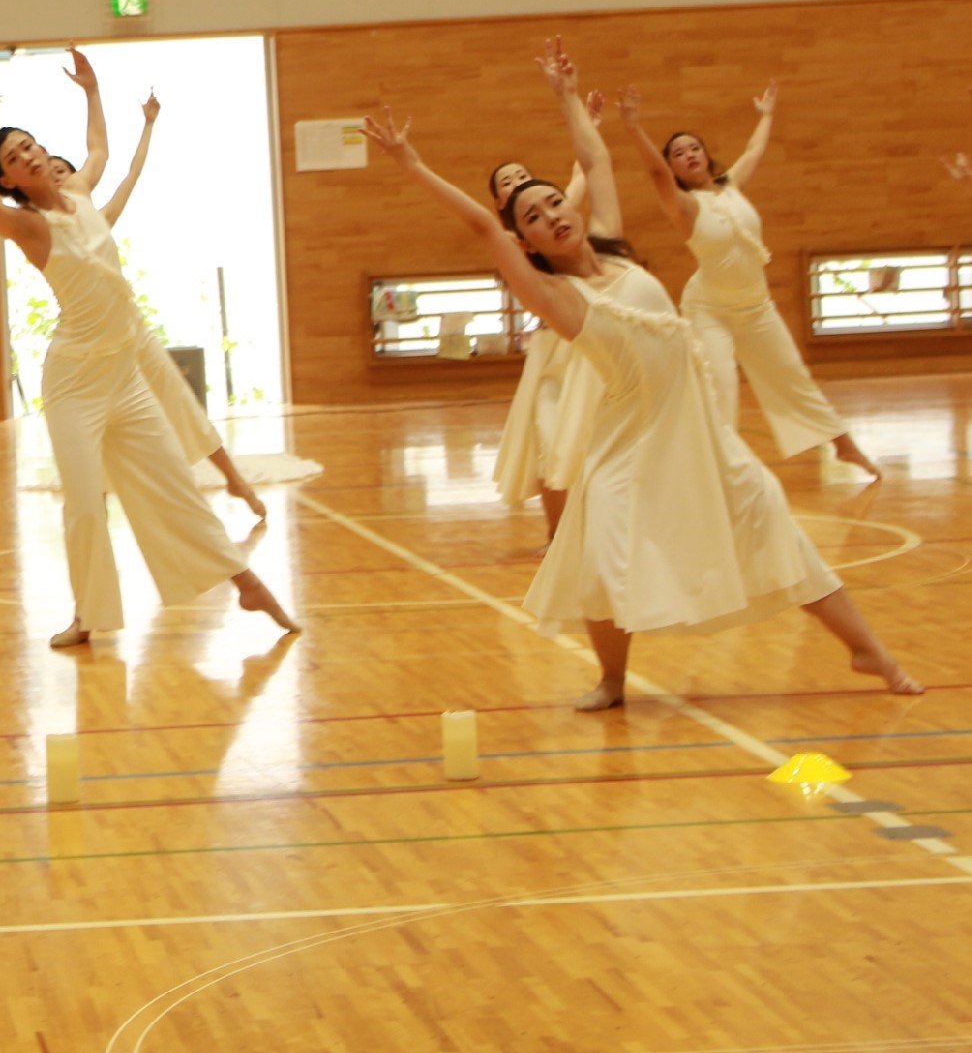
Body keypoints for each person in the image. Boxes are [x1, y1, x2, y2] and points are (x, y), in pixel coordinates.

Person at [362, 103, 918, 709]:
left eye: (554, 203)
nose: (551, 214)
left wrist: (567, 96)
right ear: (526, 241)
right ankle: (612, 679)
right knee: (600, 555)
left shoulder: (619, 253)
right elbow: (483, 229)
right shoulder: (556, 296)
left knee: (771, 522)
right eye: (534, 216)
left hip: (699, 430)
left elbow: (596, 158)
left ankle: (870, 651)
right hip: (628, 439)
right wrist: (411, 162)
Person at [0, 59, 291, 647]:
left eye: (29, 146)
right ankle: (88, 614)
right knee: (86, 504)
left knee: (172, 480)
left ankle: (242, 579)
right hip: (74, 384)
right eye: (14, 159)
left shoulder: (81, 189)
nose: (28, 157)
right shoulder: (27, 226)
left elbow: (99, 145)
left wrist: (94, 90)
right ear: (8, 181)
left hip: (124, 374)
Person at [619, 80, 879, 479]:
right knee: (720, 389)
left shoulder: (731, 185)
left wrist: (767, 115)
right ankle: (719, 471)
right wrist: (634, 128)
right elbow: (654, 174)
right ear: (672, 166)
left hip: (756, 306)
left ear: (706, 155)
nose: (688, 155)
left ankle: (843, 445)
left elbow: (754, 150)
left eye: (694, 148)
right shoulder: (684, 206)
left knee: (792, 376)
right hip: (709, 310)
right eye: (677, 153)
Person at [41, 79, 267, 521]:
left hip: (130, 328)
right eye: (46, 172)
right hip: (88, 342)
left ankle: (235, 479)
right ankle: (99, 505)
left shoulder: (98, 211)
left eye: (60, 169)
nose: (55, 175)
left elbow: (125, 167)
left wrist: (146, 124)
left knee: (179, 401)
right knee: (97, 424)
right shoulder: (43, 223)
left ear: (75, 178)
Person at [487, 43, 624, 540]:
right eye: (509, 182)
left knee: (590, 439)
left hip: (588, 345)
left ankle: (606, 524)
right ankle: (556, 534)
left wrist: (584, 121)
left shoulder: (555, 215)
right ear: (499, 201)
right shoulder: (509, 240)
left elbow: (585, 174)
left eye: (524, 176)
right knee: (549, 440)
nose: (519, 182)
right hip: (549, 351)